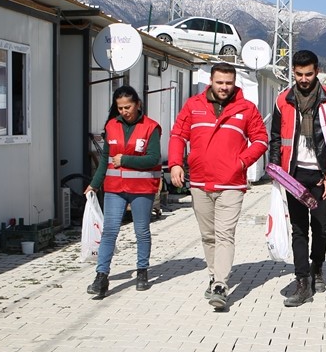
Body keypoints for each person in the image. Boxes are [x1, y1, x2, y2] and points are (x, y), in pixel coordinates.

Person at [168, 63, 269, 311]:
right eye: (219, 82)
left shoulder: (246, 108)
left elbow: (261, 139)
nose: (224, 87)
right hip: (200, 182)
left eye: (228, 83)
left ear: (235, 83)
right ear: (210, 81)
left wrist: (242, 162)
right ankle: (214, 275)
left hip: (231, 183)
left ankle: (221, 285)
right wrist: (175, 164)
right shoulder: (194, 105)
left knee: (225, 234)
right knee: (208, 235)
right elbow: (178, 135)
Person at [269, 49, 326, 307]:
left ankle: (317, 269)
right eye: (299, 74)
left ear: (317, 71)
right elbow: (276, 138)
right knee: (299, 229)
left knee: (321, 226)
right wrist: (275, 170)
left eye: (308, 74)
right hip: (294, 174)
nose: (303, 79)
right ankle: (302, 282)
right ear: (293, 71)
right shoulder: (283, 100)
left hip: (322, 175)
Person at [84, 86, 162, 300]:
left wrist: (125, 160)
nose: (124, 111)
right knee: (109, 232)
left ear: (137, 104)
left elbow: (153, 158)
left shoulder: (151, 127)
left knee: (141, 231)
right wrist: (94, 184)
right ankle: (101, 276)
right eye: (120, 108)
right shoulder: (111, 126)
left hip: (141, 190)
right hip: (114, 189)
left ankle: (142, 272)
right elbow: (106, 160)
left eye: (128, 106)